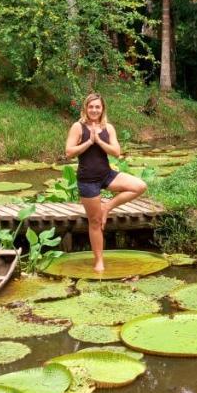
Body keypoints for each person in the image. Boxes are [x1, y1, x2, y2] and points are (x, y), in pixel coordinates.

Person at [64, 93, 148, 273]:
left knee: (139, 186)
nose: (94, 110)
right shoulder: (77, 127)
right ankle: (99, 261)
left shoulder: (108, 128)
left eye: (98, 107)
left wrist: (100, 140)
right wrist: (89, 141)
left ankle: (107, 207)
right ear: (86, 108)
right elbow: (69, 152)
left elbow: (116, 152)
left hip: (106, 175)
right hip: (87, 181)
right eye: (91, 107)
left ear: (102, 109)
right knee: (94, 222)